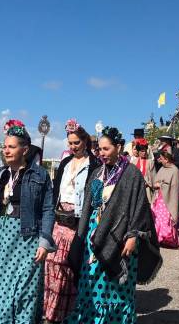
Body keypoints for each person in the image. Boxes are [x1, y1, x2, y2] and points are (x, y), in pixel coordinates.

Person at [65, 126, 161, 324]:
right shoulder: (97, 173)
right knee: (91, 281)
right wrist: (81, 236)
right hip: (95, 236)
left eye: (106, 149)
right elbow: (87, 208)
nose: (101, 153)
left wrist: (133, 235)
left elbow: (139, 208)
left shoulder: (132, 174)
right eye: (99, 149)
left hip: (121, 238)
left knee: (115, 289)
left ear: (118, 147)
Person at [0, 120, 55, 323]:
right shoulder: (0, 176)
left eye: (11, 147)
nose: (6, 151)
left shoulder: (40, 175)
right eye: (5, 147)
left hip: (28, 242)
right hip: (1, 244)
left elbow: (48, 210)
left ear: (24, 150)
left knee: (24, 293)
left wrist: (44, 242)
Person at [43, 119, 100, 323]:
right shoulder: (66, 163)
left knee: (69, 268)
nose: (73, 146)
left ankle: (65, 313)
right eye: (70, 143)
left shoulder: (94, 165)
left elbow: (96, 198)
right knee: (51, 264)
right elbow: (56, 189)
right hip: (59, 219)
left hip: (77, 221)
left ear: (85, 141)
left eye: (76, 142)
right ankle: (49, 311)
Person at [151, 151, 179, 248]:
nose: (159, 160)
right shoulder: (162, 169)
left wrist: (161, 185)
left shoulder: (175, 170)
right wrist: (156, 184)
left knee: (166, 219)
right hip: (159, 198)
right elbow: (156, 180)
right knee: (157, 218)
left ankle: (168, 239)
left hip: (168, 199)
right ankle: (159, 238)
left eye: (161, 158)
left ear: (167, 159)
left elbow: (174, 187)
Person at [130, 138, 155, 203]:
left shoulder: (150, 162)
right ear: (138, 151)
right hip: (136, 189)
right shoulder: (133, 162)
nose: (144, 153)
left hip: (147, 190)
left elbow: (153, 177)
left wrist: (147, 183)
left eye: (145, 151)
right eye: (142, 151)